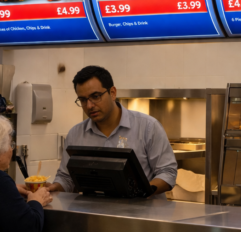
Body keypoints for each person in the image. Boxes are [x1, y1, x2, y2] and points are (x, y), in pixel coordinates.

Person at [47, 65, 177, 198]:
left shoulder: (148, 127)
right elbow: (66, 178)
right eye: (83, 100)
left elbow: (168, 172)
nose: (90, 105)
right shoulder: (76, 134)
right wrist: (54, 187)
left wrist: (143, 192)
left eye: (96, 96)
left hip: (143, 214)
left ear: (113, 93)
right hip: (94, 215)